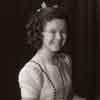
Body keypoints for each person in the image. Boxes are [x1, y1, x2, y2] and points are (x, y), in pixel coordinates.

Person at [18, 2, 85, 100]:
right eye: (52, 32)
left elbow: (69, 97)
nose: (59, 37)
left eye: (63, 32)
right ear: (40, 33)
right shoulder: (31, 71)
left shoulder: (65, 60)